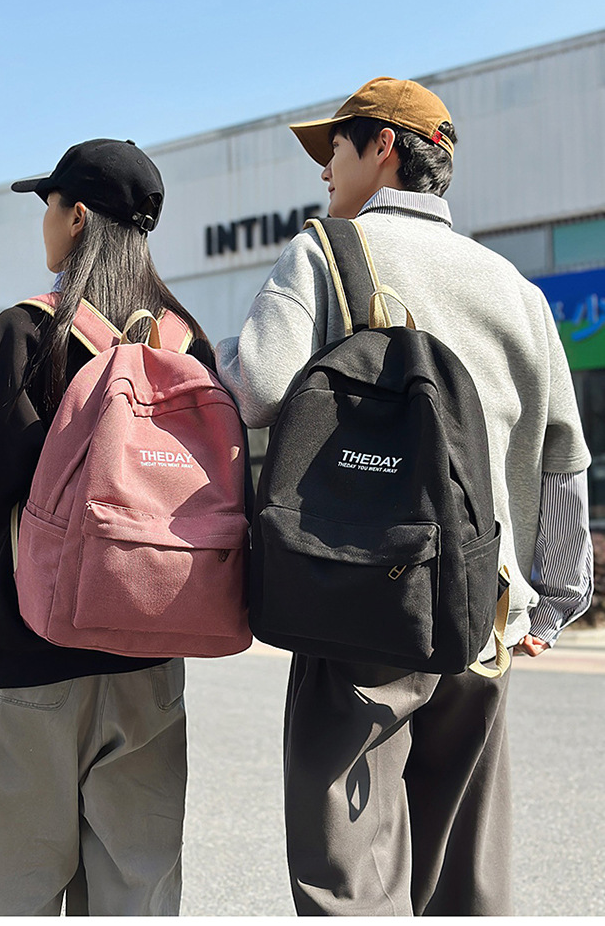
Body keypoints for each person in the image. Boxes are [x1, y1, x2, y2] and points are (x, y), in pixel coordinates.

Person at [215, 77, 593, 916]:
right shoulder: (518, 291)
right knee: (463, 872)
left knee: (348, 870)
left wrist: (212, 359)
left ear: (383, 147)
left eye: (335, 147)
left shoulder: (328, 250)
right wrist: (552, 602)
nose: (324, 171)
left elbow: (256, 389)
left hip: (360, 593)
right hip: (481, 612)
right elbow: (564, 458)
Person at [0, 138, 214, 916]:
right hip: (150, 670)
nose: (43, 221)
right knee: (134, 903)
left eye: (48, 205)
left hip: (27, 666)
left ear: (75, 217)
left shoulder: (31, 337)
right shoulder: (187, 349)